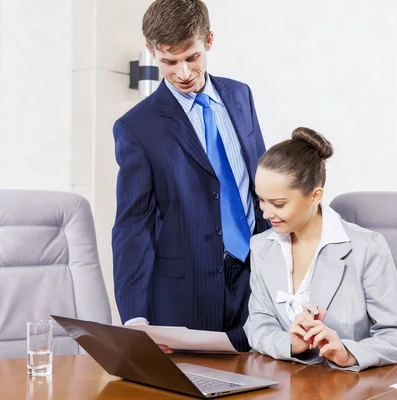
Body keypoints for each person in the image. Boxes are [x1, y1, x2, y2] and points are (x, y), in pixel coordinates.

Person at [112, 0, 267, 352]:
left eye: (192, 57)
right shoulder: (137, 127)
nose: (183, 72)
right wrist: (135, 317)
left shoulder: (240, 96)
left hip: (253, 282)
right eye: (169, 61)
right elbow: (132, 226)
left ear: (208, 40)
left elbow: (261, 188)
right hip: (183, 298)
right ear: (152, 52)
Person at [244, 127, 397, 371]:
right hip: (283, 383)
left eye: (278, 204)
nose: (266, 213)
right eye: (261, 200)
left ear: (315, 196)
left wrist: (347, 353)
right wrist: (290, 344)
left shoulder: (365, 248)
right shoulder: (262, 246)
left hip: (346, 386)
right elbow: (257, 324)